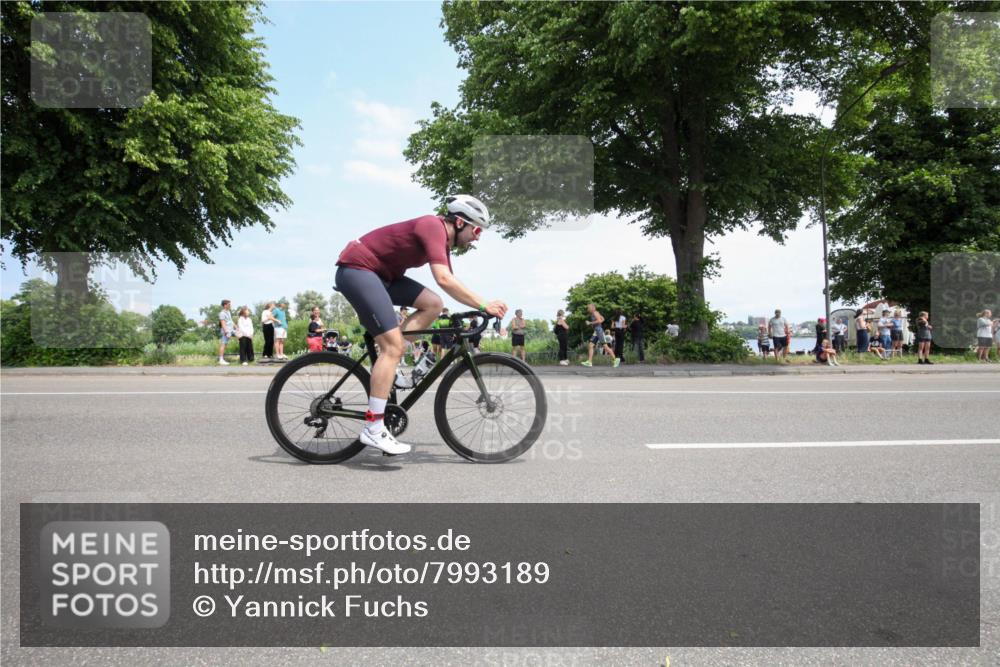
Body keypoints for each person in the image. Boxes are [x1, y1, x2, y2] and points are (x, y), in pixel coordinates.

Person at [334, 194, 507, 455]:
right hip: (359, 270)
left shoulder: (444, 243)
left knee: (433, 304)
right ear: (460, 223)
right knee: (392, 349)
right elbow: (444, 279)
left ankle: (391, 366)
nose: (478, 237)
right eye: (477, 229)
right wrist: (483, 305)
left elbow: (449, 282)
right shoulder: (431, 226)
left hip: (383, 277)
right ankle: (373, 428)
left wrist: (475, 306)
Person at [581, 303, 618, 367]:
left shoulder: (595, 313)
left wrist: (590, 323)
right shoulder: (596, 313)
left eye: (589, 308)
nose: (588, 309)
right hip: (596, 331)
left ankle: (615, 360)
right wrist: (594, 323)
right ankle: (589, 362)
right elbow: (603, 319)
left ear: (593, 308)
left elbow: (600, 321)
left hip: (599, 331)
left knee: (605, 347)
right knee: (590, 345)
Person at [217, 299, 235, 365]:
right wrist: (227, 332)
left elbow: (231, 321)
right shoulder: (222, 313)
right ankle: (221, 360)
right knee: (223, 344)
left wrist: (236, 327)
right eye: (229, 304)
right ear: (225, 305)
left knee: (241, 335)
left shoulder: (228, 312)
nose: (230, 305)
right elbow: (223, 323)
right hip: (226, 331)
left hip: (231, 330)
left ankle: (244, 357)